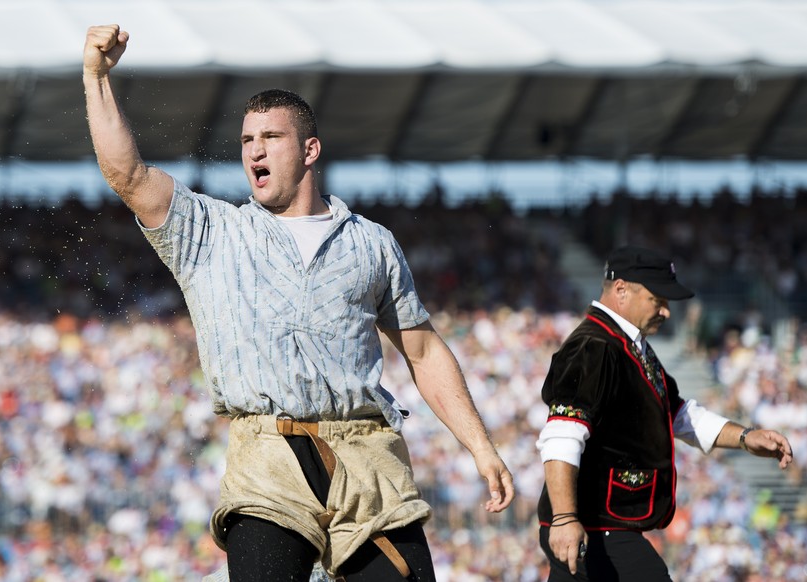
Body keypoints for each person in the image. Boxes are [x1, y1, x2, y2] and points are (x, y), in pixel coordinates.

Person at [82, 24, 514, 582]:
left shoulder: (371, 241)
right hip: (268, 459)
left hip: (367, 459)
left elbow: (424, 352)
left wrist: (481, 448)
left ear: (310, 149)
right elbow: (129, 174)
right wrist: (96, 75)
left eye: (271, 137)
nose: (254, 151)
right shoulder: (213, 232)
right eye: (246, 141)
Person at [535, 245, 794, 581]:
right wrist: (566, 518)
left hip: (605, 525)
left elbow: (677, 413)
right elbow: (562, 435)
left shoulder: (630, 345)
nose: (667, 311)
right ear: (622, 290)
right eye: (657, 300)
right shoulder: (594, 346)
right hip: (595, 525)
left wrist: (745, 437)